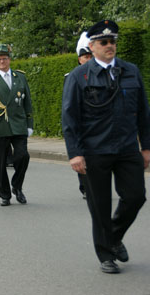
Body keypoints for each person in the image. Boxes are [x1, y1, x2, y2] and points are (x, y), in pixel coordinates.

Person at [62, 20, 150, 274]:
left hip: (126, 147)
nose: (110, 46)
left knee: (135, 196)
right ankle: (105, 255)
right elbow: (70, 116)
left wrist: (146, 147)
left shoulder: (130, 71)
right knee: (99, 206)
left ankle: (113, 236)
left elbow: (144, 113)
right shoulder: (80, 76)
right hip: (94, 150)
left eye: (112, 42)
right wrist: (74, 153)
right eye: (104, 42)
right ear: (92, 46)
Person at [0, 44, 33, 207]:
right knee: (0, 163)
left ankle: (17, 186)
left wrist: (29, 123)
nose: (1, 61)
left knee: (22, 156)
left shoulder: (20, 77)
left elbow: (27, 103)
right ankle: (4, 194)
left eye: (4, 58)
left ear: (9, 60)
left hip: (18, 124)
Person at [70, 32, 94, 199]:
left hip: (98, 125)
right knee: (83, 156)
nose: (88, 59)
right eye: (85, 57)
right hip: (81, 124)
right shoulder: (72, 77)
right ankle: (86, 186)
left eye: (90, 56)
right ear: (80, 59)